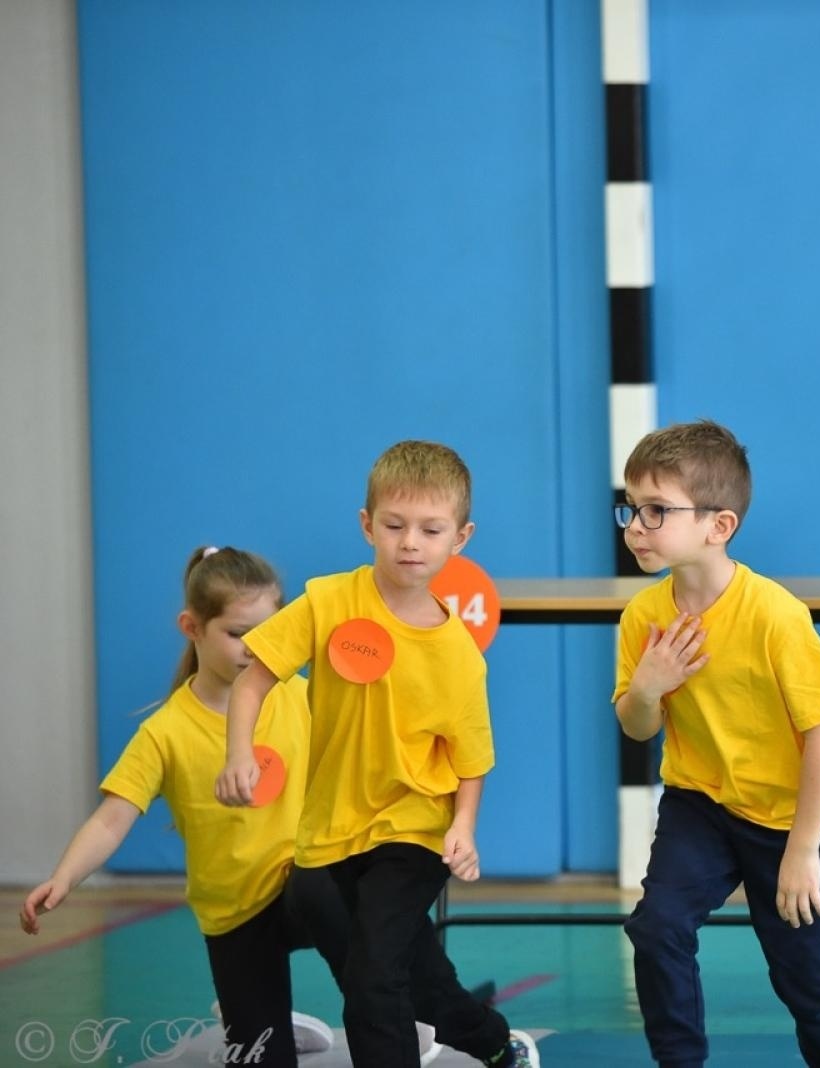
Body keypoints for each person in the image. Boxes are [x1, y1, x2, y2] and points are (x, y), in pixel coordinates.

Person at [215, 442, 534, 1068]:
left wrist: (463, 828)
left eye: (429, 529)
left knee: (371, 977)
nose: (409, 542)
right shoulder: (329, 601)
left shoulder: (458, 656)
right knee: (416, 977)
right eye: (394, 526)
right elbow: (254, 678)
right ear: (368, 526)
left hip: (416, 829)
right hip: (336, 828)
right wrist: (238, 754)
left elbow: (470, 759)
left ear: (459, 539)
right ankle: (496, 1044)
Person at [19, 547, 359, 1066]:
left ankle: (385, 1008)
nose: (255, 647)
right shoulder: (164, 734)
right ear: (192, 626)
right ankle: (263, 1016)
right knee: (261, 1053)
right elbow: (113, 818)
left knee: (336, 891)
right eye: (238, 633)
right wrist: (64, 877)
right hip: (234, 915)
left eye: (268, 630)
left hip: (300, 889)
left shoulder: (298, 697)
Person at [612, 420, 820, 1068]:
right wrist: (648, 687)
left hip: (788, 816)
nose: (635, 525)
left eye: (656, 511)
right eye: (631, 507)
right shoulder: (642, 617)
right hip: (700, 803)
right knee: (657, 926)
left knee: (805, 972)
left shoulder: (774, 615)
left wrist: (803, 851)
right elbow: (638, 726)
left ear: (718, 527)